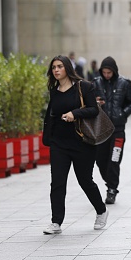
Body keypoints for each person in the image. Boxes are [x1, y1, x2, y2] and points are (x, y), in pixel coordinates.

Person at [41, 55, 108, 234]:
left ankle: (101, 210)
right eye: (53, 67)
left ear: (67, 69)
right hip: (59, 143)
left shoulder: (84, 86)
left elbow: (94, 109)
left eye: (60, 67)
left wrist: (75, 113)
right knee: (57, 182)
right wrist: (48, 136)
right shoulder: (54, 91)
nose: (56, 70)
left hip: (82, 142)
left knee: (85, 180)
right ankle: (56, 222)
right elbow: (51, 116)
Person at [92, 56, 131, 205]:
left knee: (114, 159)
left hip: (118, 129)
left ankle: (112, 189)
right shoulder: (95, 84)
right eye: (104, 72)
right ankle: (111, 181)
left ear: (114, 71)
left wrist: (123, 113)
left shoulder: (124, 83)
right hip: (101, 129)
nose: (106, 75)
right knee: (100, 160)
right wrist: (95, 104)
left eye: (109, 72)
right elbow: (87, 103)